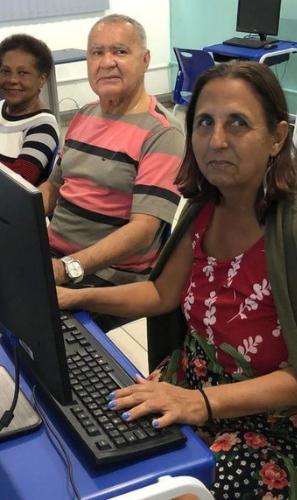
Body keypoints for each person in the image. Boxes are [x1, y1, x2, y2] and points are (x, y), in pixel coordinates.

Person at [56, 61, 297, 500]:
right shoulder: (207, 205)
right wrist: (77, 296)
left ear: (277, 137)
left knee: (160, 489)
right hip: (194, 387)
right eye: (205, 123)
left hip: (281, 427)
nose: (216, 140)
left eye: (237, 123)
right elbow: (162, 291)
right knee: (96, 451)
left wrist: (199, 404)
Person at [38, 14, 184, 331]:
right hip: (54, 259)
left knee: (37, 341)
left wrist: (68, 268)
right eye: (97, 52)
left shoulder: (163, 134)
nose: (107, 62)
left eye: (119, 51)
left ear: (145, 60)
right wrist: (13, 216)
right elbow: (54, 187)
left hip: (105, 280)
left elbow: (143, 232)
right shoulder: (84, 115)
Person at [0, 34, 59, 186]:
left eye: (23, 72)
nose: (12, 80)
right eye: (5, 71)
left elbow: (18, 187)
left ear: (41, 79)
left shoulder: (43, 126)